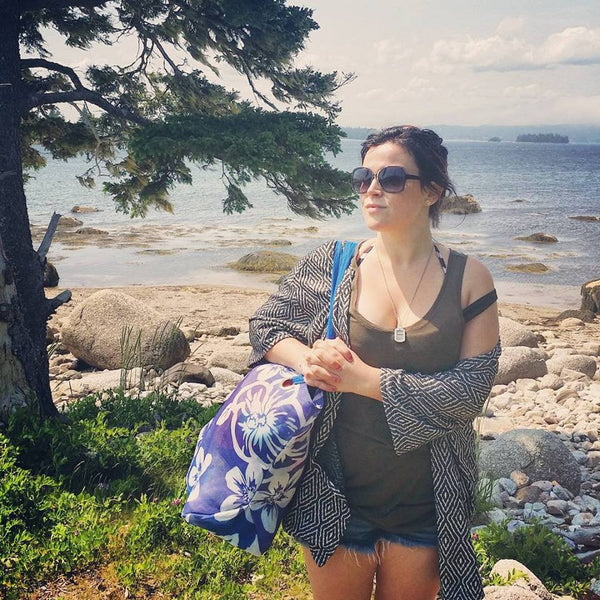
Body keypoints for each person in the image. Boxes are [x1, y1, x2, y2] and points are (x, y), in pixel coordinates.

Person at [248, 125, 501, 600]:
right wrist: (308, 358)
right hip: (335, 495)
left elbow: (469, 394)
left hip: (428, 502)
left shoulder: (470, 278)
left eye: (389, 178)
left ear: (431, 190)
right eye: (363, 176)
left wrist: (366, 380)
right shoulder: (335, 261)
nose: (371, 188)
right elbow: (266, 327)